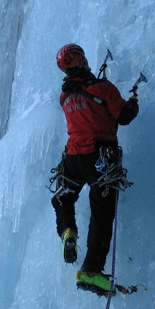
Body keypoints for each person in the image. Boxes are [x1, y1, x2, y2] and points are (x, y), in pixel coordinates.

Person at [51, 43, 139, 292]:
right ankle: (91, 270)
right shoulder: (103, 88)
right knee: (101, 213)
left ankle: (68, 231)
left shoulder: (65, 97)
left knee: (63, 199)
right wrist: (133, 102)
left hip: (72, 159)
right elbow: (124, 116)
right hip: (100, 159)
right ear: (82, 62)